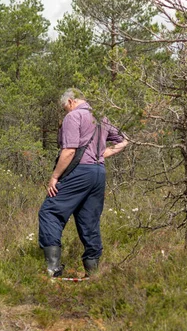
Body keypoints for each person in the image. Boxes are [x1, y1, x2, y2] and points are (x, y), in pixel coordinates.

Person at [38, 88, 128, 278]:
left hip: (78, 172)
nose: (66, 112)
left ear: (70, 101)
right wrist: (104, 154)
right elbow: (124, 140)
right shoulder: (101, 118)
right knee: (89, 221)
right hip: (98, 173)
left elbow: (69, 151)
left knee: (50, 212)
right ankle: (92, 273)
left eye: (65, 108)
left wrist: (54, 177)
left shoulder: (73, 117)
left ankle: (53, 269)